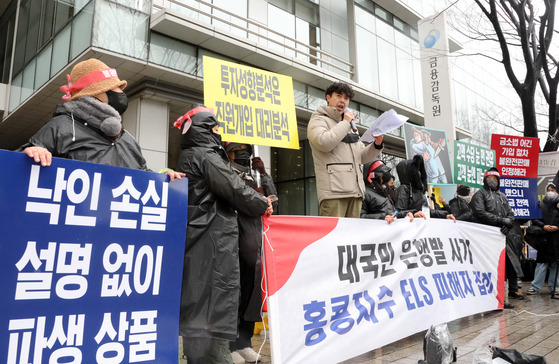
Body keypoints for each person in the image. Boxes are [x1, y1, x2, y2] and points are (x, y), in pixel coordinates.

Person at [175, 105, 273, 364]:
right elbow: (236, 189)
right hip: (212, 239)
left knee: (206, 305)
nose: (219, 133)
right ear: (203, 129)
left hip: (206, 238)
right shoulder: (206, 156)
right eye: (215, 128)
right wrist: (263, 203)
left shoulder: (193, 154)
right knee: (214, 305)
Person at [16, 58, 183, 180]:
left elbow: (142, 174)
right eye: (112, 88)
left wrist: (163, 177)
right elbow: (15, 170)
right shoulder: (61, 127)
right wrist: (30, 153)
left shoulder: (127, 138)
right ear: (93, 94)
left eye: (119, 88)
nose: (120, 94)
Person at [224, 142, 278, 364]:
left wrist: (264, 175)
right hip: (232, 233)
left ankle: (244, 342)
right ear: (229, 152)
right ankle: (229, 345)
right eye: (238, 149)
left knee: (251, 290)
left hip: (254, 236)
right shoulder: (224, 169)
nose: (243, 153)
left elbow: (273, 199)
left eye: (246, 149)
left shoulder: (256, 174)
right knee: (233, 290)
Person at [307, 81, 384, 218]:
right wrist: (345, 123)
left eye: (346, 98)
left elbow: (361, 157)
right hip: (333, 193)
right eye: (338, 96)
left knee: (352, 238)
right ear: (328, 97)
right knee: (333, 237)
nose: (342, 101)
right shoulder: (319, 120)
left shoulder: (348, 124)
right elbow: (324, 143)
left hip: (355, 192)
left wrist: (376, 145)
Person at [470, 167, 524, 300]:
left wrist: (508, 223)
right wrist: (501, 221)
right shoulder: (480, 194)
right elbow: (480, 213)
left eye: (495, 179)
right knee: (494, 265)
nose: (492, 181)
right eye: (489, 178)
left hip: (504, 235)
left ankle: (513, 289)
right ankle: (494, 294)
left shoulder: (502, 196)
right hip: (488, 235)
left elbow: (510, 213)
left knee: (511, 263)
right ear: (484, 179)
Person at [394, 155, 456, 222]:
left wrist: (445, 215)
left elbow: (426, 211)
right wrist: (414, 213)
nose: (419, 174)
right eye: (416, 171)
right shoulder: (403, 189)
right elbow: (398, 213)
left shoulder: (419, 191)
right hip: (411, 228)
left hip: (421, 227)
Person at [526, 183, 559, 295]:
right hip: (544, 238)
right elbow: (534, 218)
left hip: (557, 238)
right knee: (541, 263)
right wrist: (543, 226)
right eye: (549, 189)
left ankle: (555, 286)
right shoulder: (540, 204)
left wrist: (557, 227)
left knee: (556, 264)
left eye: (553, 190)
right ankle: (535, 287)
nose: (550, 192)